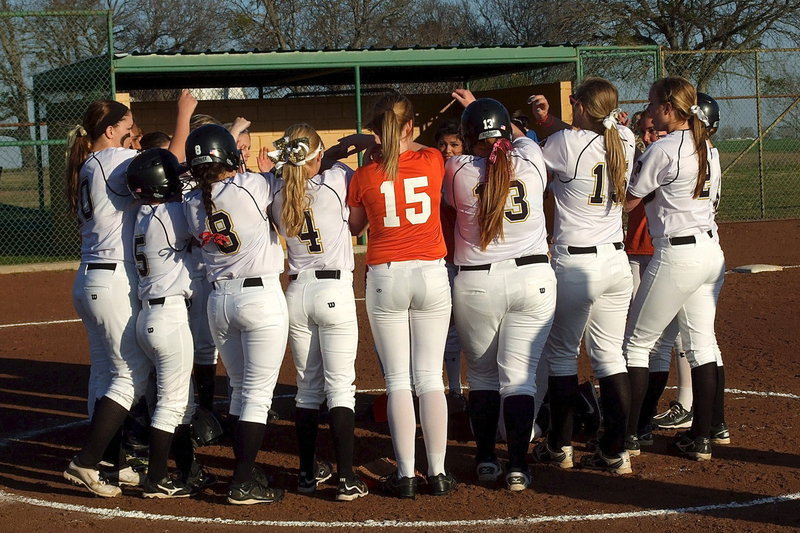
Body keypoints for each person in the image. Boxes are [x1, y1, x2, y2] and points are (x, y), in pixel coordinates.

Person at [445, 91, 556, 491]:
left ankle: (486, 458)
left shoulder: (458, 169)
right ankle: (519, 466)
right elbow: (520, 136)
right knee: (521, 379)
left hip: (478, 282)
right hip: (533, 279)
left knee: (483, 376)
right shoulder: (531, 158)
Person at [347, 91, 455, 499]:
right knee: (430, 378)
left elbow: (356, 226)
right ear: (409, 126)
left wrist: (369, 149)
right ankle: (439, 472)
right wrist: (395, 139)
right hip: (430, 273)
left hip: (387, 275)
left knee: (397, 382)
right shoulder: (432, 160)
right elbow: (421, 149)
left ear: (376, 130)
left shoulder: (364, 174)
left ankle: (407, 475)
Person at [526, 78, 636, 475]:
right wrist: (550, 119)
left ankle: (559, 446)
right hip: (615, 263)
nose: (570, 107)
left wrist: (528, 128)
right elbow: (582, 135)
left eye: (575, 103)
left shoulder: (566, 143)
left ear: (585, 108)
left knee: (561, 355)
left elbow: (541, 152)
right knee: (610, 356)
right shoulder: (623, 136)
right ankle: (614, 452)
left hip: (576, 264)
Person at [183, 124, 288, 504]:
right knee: (258, 396)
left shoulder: (191, 202)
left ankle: (246, 468)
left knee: (242, 391)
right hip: (259, 297)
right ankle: (242, 480)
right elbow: (279, 179)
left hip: (219, 302)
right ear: (228, 156)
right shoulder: (250, 186)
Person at [624, 77, 725, 461]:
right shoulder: (708, 148)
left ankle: (629, 435)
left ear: (668, 108)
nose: (648, 110)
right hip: (710, 250)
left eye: (652, 104)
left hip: (677, 253)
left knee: (637, 344)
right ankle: (700, 438)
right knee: (702, 345)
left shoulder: (665, 148)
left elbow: (629, 203)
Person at [268, 124, 370, 501]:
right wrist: (342, 151)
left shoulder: (277, 190)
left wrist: (322, 155)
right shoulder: (337, 178)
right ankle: (346, 478)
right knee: (341, 386)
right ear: (316, 155)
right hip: (334, 289)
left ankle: (307, 474)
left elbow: (293, 168)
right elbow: (358, 226)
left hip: (296, 291)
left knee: (307, 390)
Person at [62, 100, 152, 497]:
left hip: (88, 277)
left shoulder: (87, 163)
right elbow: (172, 159)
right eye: (128, 128)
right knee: (132, 374)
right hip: (112, 278)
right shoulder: (113, 157)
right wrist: (185, 116)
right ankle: (86, 461)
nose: (133, 136)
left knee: (103, 373)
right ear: (111, 131)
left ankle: (109, 462)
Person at [127, 148, 213, 498]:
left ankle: (187, 469)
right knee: (173, 404)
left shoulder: (141, 215)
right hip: (170, 316)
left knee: (180, 401)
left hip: (150, 315)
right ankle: (156, 478)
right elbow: (201, 217)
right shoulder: (170, 213)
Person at [434, 120, 467, 410]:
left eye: (454, 144)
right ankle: (450, 389)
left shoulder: (470, 172)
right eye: (443, 144)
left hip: (468, 260)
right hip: (440, 260)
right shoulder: (430, 174)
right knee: (444, 326)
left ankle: (458, 388)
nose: (448, 150)